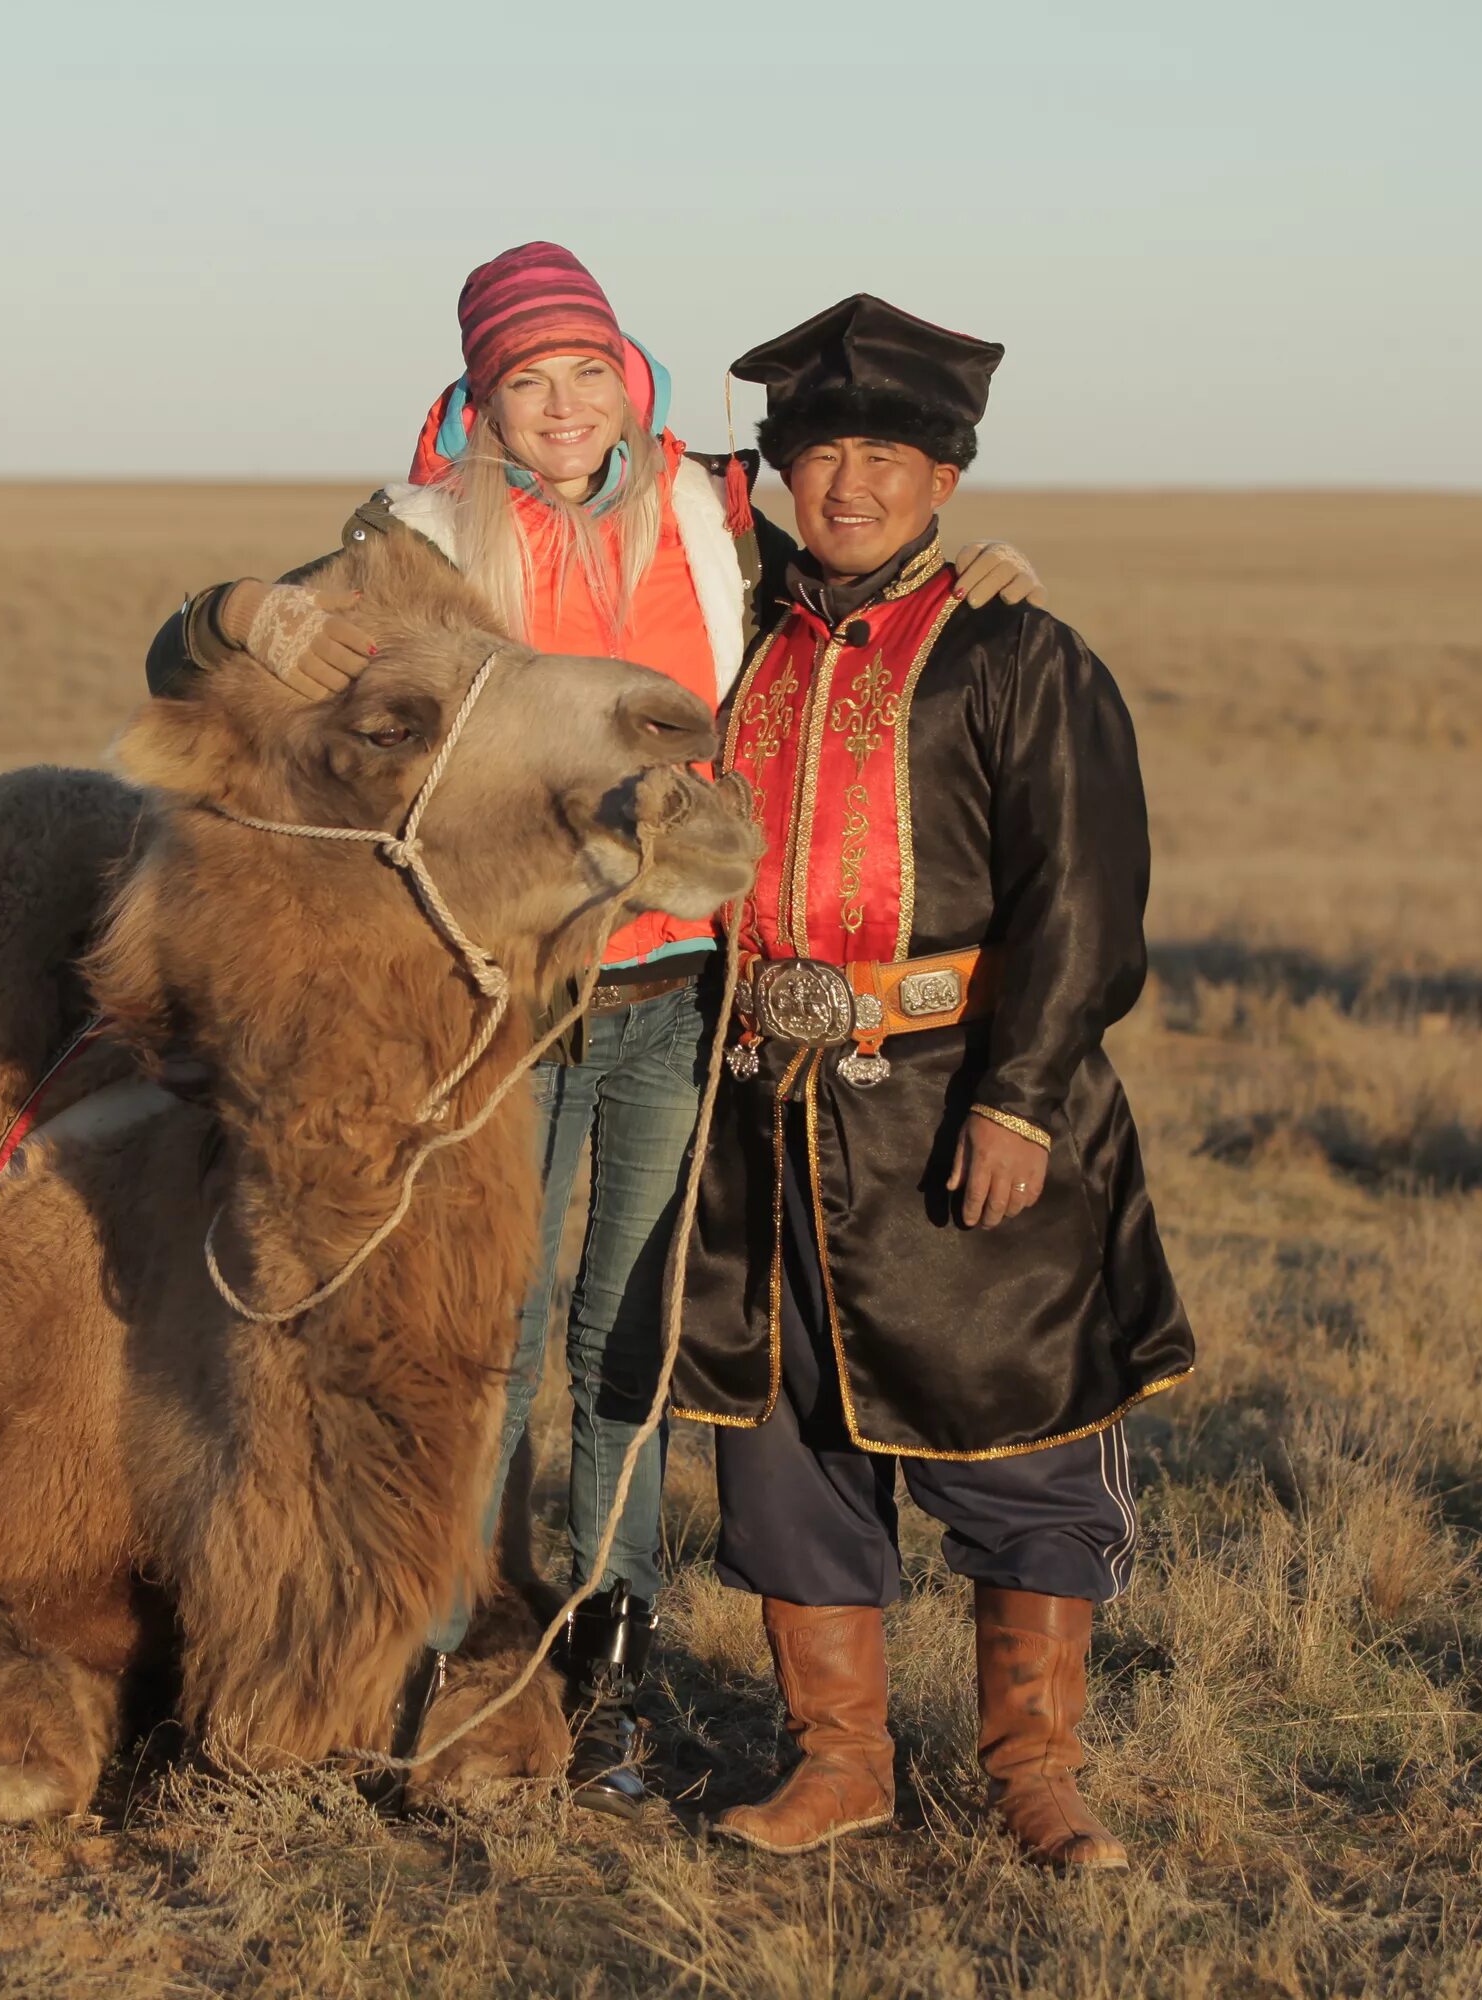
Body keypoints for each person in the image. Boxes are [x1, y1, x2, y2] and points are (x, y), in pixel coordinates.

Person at [144, 246, 1037, 1818]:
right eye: (523, 382)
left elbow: (859, 583)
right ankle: (452, 1650)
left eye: (584, 373)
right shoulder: (413, 552)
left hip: (678, 997)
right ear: (479, 402)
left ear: (632, 381)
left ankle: (604, 1664)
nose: (559, 409)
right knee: (475, 1345)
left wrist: (981, 589)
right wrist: (237, 609)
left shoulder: (713, 520)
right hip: (500, 1007)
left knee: (626, 1346)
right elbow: (191, 663)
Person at [668, 296, 1197, 1870]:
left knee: (1021, 1442)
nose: (852, 481)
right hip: (763, 1110)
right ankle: (840, 1760)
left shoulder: (1016, 653)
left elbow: (1084, 895)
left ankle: (1035, 1771)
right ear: (776, 470)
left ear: (949, 475)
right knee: (789, 1444)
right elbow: (592, 481)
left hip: (963, 1105)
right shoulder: (730, 625)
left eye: (889, 453)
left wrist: (1023, 1099)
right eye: (820, 449)